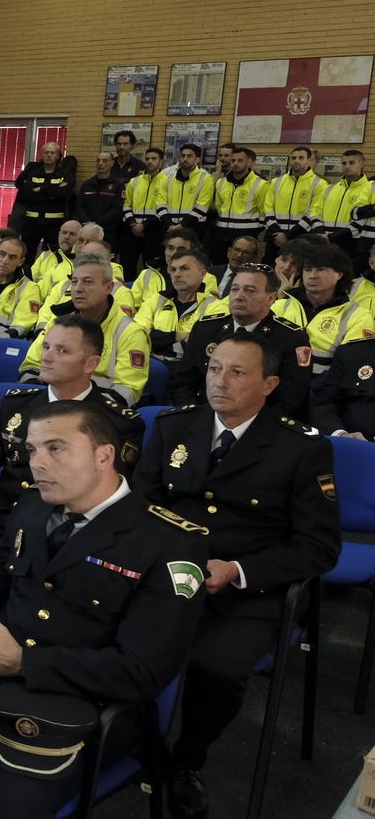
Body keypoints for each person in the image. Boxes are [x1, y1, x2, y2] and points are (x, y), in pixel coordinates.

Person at [0, 400, 206, 819]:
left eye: (56, 448)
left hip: (83, 709)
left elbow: (141, 671)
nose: (37, 463)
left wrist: (24, 662)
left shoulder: (170, 544)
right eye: (32, 450)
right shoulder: (33, 506)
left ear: (104, 455)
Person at [137, 337, 341, 819]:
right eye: (214, 369)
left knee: (218, 667)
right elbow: (142, 505)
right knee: (101, 623)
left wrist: (238, 571)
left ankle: (188, 760)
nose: (219, 381)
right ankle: (130, 739)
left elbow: (319, 546)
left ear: (269, 384)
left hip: (250, 588)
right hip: (168, 573)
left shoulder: (301, 448)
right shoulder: (174, 426)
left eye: (237, 373)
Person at [0, 314, 144, 579]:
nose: (47, 357)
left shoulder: (117, 422)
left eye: (62, 351)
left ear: (91, 364)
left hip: (59, 526)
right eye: (46, 346)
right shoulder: (15, 405)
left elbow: (102, 497)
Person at [171, 262, 311, 419]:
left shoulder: (291, 338)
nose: (239, 296)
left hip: (261, 424)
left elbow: (290, 399)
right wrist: (199, 418)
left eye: (249, 291)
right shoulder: (206, 328)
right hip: (204, 418)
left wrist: (245, 426)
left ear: (271, 298)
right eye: (235, 289)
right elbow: (183, 382)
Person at [18, 254, 150, 404]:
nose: (78, 288)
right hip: (49, 404)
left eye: (87, 282)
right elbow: (31, 365)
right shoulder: (58, 323)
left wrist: (77, 409)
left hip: (98, 411)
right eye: (74, 282)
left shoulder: (130, 332)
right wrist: (38, 401)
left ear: (108, 287)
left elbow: (127, 390)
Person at [286, 243, 375, 373]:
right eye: (308, 269)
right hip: (275, 382)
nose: (312, 275)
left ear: (339, 274)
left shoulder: (357, 315)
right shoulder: (279, 306)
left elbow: (352, 367)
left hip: (326, 384)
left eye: (321, 269)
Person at [135, 246, 225, 363]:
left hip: (189, 369)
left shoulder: (215, 306)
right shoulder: (156, 300)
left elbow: (202, 346)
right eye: (173, 269)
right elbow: (136, 334)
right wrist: (176, 337)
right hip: (151, 364)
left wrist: (157, 341)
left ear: (202, 274)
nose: (176, 274)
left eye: (184, 268)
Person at [210, 146, 268, 266]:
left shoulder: (261, 184)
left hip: (246, 235)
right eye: (233, 160)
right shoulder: (221, 182)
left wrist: (255, 230)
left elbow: (264, 211)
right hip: (221, 235)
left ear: (249, 162)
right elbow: (219, 207)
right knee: (219, 268)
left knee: (243, 269)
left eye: (240, 160)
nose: (235, 163)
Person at [265, 145, 326, 257]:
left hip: (302, 238)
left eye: (301, 158)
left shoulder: (320, 184)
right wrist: (276, 232)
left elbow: (314, 212)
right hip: (275, 237)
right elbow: (267, 207)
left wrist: (288, 235)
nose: (296, 161)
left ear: (309, 161)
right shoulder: (276, 182)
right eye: (293, 158)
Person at [15, 142, 73, 257]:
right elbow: (28, 194)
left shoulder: (64, 174)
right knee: (26, 256)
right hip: (32, 222)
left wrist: (41, 189)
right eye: (46, 152)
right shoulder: (34, 173)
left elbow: (62, 193)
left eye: (52, 153)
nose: (49, 155)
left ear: (57, 156)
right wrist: (52, 192)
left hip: (54, 224)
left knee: (54, 256)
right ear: (42, 155)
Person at [311, 149, 370, 252]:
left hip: (352, 244)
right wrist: (320, 233)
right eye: (344, 163)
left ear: (362, 164)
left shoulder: (369, 189)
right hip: (324, 242)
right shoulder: (330, 188)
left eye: (352, 163)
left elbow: (363, 220)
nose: (347, 166)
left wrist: (333, 237)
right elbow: (315, 212)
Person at [124, 146, 170, 272]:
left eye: (154, 159)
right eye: (147, 159)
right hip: (132, 230)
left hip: (154, 231)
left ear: (161, 161)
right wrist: (133, 224)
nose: (150, 161)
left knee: (150, 267)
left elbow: (166, 207)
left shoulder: (167, 181)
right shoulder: (134, 181)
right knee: (128, 266)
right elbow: (126, 205)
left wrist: (144, 225)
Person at [75, 151, 126, 242]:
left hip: (108, 231)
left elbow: (117, 208)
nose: (100, 163)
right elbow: (80, 205)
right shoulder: (87, 184)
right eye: (98, 160)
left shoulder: (118, 185)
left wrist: (97, 223)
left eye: (105, 160)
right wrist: (88, 223)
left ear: (112, 163)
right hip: (87, 229)